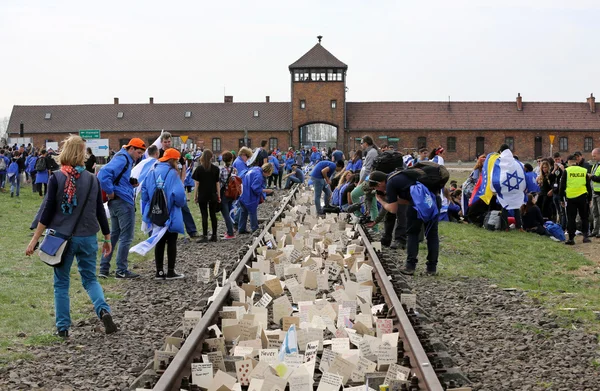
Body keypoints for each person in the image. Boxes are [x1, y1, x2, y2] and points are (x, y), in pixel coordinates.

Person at [25, 135, 117, 338]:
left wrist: (34, 239)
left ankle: (63, 327)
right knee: (90, 279)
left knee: (61, 283)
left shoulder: (57, 178)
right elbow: (100, 211)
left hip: (62, 239)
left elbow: (47, 212)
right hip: (88, 237)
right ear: (82, 154)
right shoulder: (93, 179)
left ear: (64, 152)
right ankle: (103, 310)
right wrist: (107, 238)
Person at [371, 170, 441, 275]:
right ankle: (431, 268)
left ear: (379, 183)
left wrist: (380, 200)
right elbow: (408, 198)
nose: (379, 190)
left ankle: (410, 266)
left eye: (376, 188)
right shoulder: (400, 175)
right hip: (432, 200)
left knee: (412, 234)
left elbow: (393, 209)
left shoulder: (390, 183)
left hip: (416, 206)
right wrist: (391, 198)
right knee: (432, 235)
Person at [98, 138, 146, 279]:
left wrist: (128, 182)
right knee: (126, 237)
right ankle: (121, 270)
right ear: (131, 149)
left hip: (116, 202)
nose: (139, 156)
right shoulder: (123, 159)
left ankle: (104, 269)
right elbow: (103, 174)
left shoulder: (121, 157)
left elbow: (114, 176)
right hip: (123, 201)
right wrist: (110, 191)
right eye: (138, 153)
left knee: (113, 236)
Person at [141, 148, 186, 280]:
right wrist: (180, 203)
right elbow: (179, 195)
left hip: (155, 212)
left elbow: (144, 192)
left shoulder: (152, 171)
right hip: (171, 212)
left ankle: (159, 272)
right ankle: (171, 271)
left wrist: (151, 202)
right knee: (171, 241)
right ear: (172, 160)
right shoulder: (173, 173)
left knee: (158, 241)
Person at [158, 133, 199, 239]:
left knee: (183, 206)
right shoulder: (159, 153)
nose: (167, 144)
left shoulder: (176, 152)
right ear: (161, 142)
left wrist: (182, 181)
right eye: (165, 142)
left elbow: (183, 166)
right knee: (164, 209)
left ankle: (192, 230)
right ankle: (164, 234)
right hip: (163, 186)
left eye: (168, 142)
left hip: (175, 183)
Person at [560, 154, 592, 245]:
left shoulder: (567, 171)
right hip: (583, 197)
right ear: (576, 162)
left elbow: (562, 186)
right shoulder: (583, 170)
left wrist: (561, 199)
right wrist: (589, 198)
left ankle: (571, 238)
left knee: (571, 218)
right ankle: (585, 236)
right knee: (584, 217)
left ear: (569, 162)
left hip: (571, 198)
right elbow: (588, 186)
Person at [193, 149, 221, 242]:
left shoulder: (199, 169)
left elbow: (197, 184)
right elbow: (217, 183)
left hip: (203, 194)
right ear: (211, 157)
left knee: (204, 215)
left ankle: (204, 235)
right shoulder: (216, 169)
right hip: (213, 194)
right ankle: (214, 235)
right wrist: (219, 195)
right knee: (213, 215)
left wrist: (195, 195)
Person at [239, 163, 274, 233]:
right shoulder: (259, 177)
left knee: (243, 212)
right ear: (267, 172)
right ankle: (255, 229)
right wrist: (267, 190)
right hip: (250, 196)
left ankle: (241, 229)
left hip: (243, 193)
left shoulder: (255, 169)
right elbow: (255, 188)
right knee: (252, 212)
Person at [218, 151, 236, 239]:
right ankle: (231, 229)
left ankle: (230, 233)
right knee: (229, 212)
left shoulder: (221, 169)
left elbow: (218, 182)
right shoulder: (234, 169)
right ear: (231, 159)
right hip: (232, 194)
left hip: (224, 193)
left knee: (226, 215)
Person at [549, 152, 566, 228]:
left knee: (562, 211)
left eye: (558, 159)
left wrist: (563, 169)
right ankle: (559, 224)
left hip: (561, 192)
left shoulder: (564, 167)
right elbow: (550, 178)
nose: (557, 161)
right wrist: (554, 169)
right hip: (555, 192)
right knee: (558, 210)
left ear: (561, 158)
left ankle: (563, 226)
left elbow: (566, 177)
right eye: (555, 160)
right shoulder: (553, 168)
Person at [588, 148, 600, 238]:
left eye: (594, 156)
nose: (593, 157)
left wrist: (592, 176)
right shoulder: (595, 165)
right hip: (594, 193)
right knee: (595, 213)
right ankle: (595, 231)